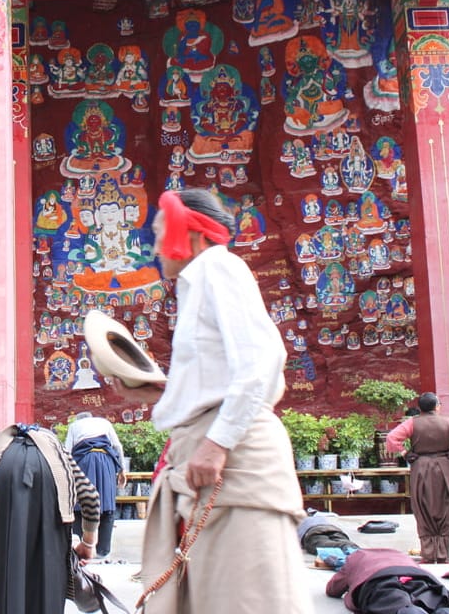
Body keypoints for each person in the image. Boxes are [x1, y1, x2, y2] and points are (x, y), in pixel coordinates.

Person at [114, 188, 310, 614]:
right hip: (207, 465)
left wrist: (217, 443)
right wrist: (158, 390)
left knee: (243, 601)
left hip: (235, 465)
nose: (154, 247)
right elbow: (219, 379)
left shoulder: (218, 267)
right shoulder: (197, 282)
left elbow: (261, 361)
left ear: (192, 234)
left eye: (161, 233)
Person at [0, 423, 100, 614]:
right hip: (51, 544)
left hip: (6, 537)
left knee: (9, 586)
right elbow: (90, 496)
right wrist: (88, 544)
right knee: (48, 590)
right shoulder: (57, 449)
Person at [385, 392, 449, 563]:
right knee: (446, 504)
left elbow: (391, 438)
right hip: (445, 465)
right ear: (437, 406)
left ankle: (428, 554)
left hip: (421, 465)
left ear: (420, 408)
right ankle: (443, 554)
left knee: (423, 505)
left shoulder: (412, 423)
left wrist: (405, 452)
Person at [326, 548, 449, 613]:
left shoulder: (356, 556)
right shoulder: (397, 553)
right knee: (436, 604)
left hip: (381, 581)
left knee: (400, 605)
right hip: (419, 579)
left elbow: (333, 589)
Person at [61, 412, 126, 558]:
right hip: (106, 461)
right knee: (107, 504)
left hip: (83, 461)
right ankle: (103, 550)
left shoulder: (74, 426)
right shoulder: (104, 422)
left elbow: (67, 450)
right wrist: (122, 469)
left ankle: (80, 548)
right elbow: (117, 446)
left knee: (80, 502)